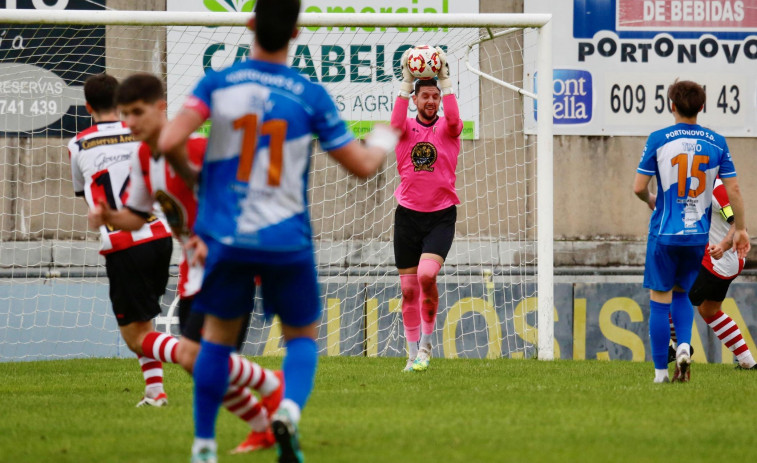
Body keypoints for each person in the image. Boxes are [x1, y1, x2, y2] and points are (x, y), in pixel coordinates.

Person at [156, 1, 398, 462]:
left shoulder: (219, 82)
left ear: (249, 25)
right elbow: (364, 167)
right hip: (287, 240)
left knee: (215, 340)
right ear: (297, 33)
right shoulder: (307, 94)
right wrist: (388, 135)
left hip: (229, 238)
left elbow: (168, 141)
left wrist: (194, 178)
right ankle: (286, 408)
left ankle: (204, 446)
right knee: (303, 338)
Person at [87, 73, 284, 453]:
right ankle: (266, 414)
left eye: (138, 112)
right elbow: (136, 214)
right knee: (197, 364)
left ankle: (268, 396)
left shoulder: (199, 149)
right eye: (125, 114)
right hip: (195, 274)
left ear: (162, 108)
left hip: (229, 266)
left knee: (203, 361)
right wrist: (107, 215)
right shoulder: (143, 156)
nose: (131, 123)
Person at [68, 73, 175, 407]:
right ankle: (155, 392)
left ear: (87, 107)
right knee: (146, 321)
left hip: (124, 241)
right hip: (161, 236)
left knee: (136, 336)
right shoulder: (141, 133)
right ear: (120, 102)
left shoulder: (77, 144)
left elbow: (84, 194)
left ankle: (198, 356)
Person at [633, 79, 750, 383]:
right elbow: (734, 188)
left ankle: (660, 373)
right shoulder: (717, 142)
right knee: (685, 296)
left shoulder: (659, 138)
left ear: (670, 105)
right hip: (697, 237)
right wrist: (741, 230)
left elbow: (638, 188)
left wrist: (651, 200)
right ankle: (684, 346)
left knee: (660, 299)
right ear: (702, 106)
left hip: (665, 232)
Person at [390, 47, 463, 372]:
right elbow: (394, 121)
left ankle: (427, 346)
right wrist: (406, 83)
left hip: (440, 216)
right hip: (407, 216)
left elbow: (456, 117)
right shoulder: (405, 129)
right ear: (417, 100)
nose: (431, 101)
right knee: (408, 291)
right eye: (426, 96)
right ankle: (412, 355)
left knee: (426, 276)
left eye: (435, 96)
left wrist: (446, 81)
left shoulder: (449, 128)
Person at [667, 177, 756, 371]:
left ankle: (679, 347)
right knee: (709, 311)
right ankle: (748, 361)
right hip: (722, 261)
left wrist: (723, 246)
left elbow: (739, 227)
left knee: (670, 298)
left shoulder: (717, 189)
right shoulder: (691, 186)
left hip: (719, 261)